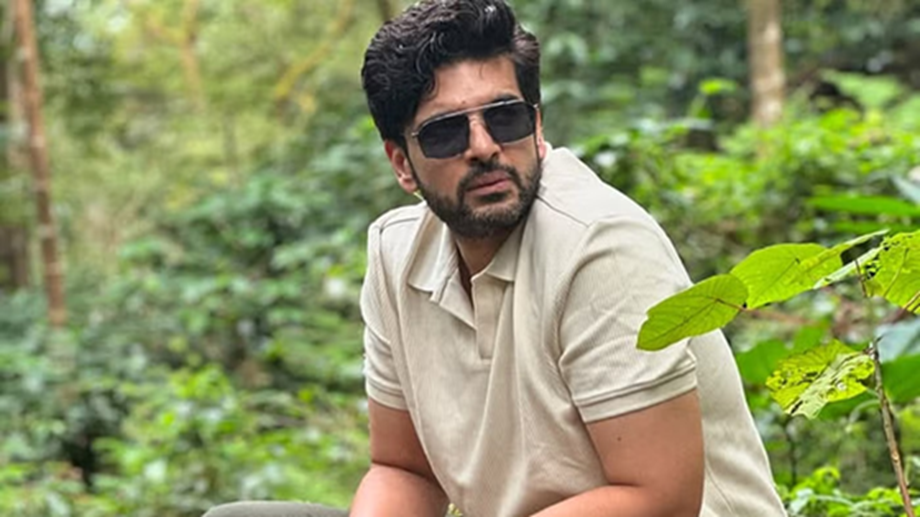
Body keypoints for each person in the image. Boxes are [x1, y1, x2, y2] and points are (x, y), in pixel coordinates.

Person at [205, 1, 788, 516]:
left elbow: (658, 499)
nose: (484, 147)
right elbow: (405, 469)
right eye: (446, 133)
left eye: (505, 117)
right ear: (401, 162)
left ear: (537, 127)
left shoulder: (599, 247)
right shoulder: (396, 256)